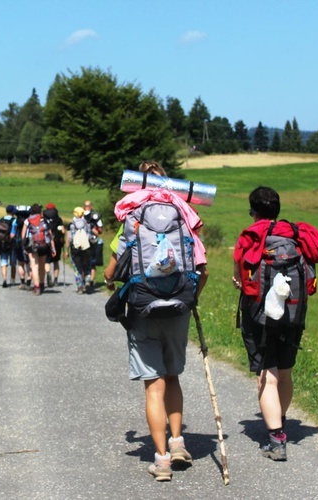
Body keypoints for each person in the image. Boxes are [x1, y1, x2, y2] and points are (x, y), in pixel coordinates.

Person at [104, 161, 208, 481]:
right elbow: (203, 269)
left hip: (143, 309)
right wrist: (191, 298)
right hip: (178, 307)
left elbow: (111, 273)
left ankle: (161, 461)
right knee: (173, 376)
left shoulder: (132, 220)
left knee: (154, 385)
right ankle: (178, 443)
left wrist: (114, 283)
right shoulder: (183, 217)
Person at [232, 186, 318, 461]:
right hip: (294, 314)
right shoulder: (294, 235)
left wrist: (239, 280)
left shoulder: (251, 237)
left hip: (260, 316)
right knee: (285, 372)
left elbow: (239, 271)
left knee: (268, 375)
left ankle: (276, 439)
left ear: (254, 212)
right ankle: (281, 423)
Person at [21, 203, 56, 296]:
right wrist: (53, 247)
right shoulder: (44, 220)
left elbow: (23, 235)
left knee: (34, 266)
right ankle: (42, 283)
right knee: (42, 265)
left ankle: (36, 287)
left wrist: (24, 245)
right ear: (40, 212)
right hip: (44, 245)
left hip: (32, 246)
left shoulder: (27, 220)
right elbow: (50, 235)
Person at [67, 206, 92, 294]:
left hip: (75, 249)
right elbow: (89, 236)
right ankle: (88, 280)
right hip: (86, 248)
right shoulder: (87, 223)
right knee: (87, 266)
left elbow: (70, 238)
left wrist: (67, 249)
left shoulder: (71, 224)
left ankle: (80, 287)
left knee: (77, 268)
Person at [0, 205, 19, 288]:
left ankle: (4, 279)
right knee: (13, 263)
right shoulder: (14, 220)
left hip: (2, 243)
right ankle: (13, 280)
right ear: (13, 212)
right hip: (12, 244)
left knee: (3, 262)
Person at [43, 202, 65, 287]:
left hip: (47, 242)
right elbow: (63, 231)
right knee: (56, 261)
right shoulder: (58, 219)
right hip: (57, 242)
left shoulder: (44, 218)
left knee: (47, 261)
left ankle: (48, 274)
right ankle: (56, 280)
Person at [82, 200, 103, 291]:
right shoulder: (81, 216)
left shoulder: (96, 217)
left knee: (92, 262)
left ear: (91, 206)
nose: (87, 207)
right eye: (85, 206)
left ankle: (90, 281)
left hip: (93, 242)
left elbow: (100, 231)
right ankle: (84, 280)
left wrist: (93, 229)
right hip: (83, 242)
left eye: (88, 205)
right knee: (84, 261)